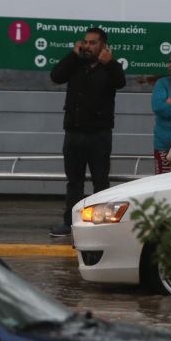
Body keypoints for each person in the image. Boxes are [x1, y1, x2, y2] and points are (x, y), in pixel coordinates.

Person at [49, 27, 126, 237]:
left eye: (93, 43)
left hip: (99, 135)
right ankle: (71, 223)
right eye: (86, 42)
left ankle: (101, 225)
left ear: (103, 45)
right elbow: (56, 76)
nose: (87, 46)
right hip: (73, 134)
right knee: (74, 182)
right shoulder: (75, 64)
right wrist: (73, 55)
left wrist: (109, 63)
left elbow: (120, 82)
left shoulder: (110, 67)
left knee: (100, 181)